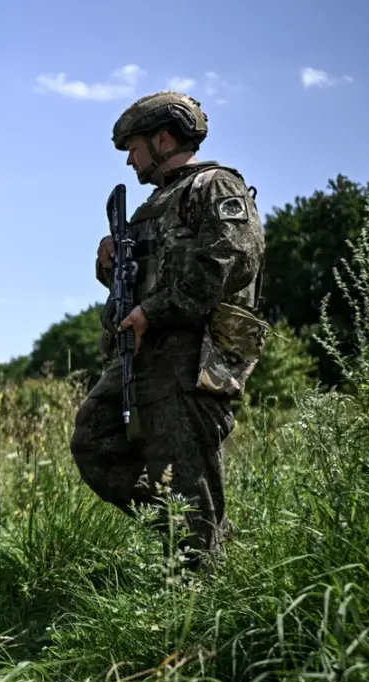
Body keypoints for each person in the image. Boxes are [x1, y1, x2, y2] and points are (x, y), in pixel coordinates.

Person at [70, 90, 269, 573]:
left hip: (192, 359)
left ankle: (201, 580)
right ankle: (193, 534)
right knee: (94, 440)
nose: (131, 161)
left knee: (186, 472)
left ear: (163, 138)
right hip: (143, 357)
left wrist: (155, 312)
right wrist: (110, 256)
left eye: (134, 148)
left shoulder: (215, 186)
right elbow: (139, 279)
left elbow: (229, 262)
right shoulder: (153, 206)